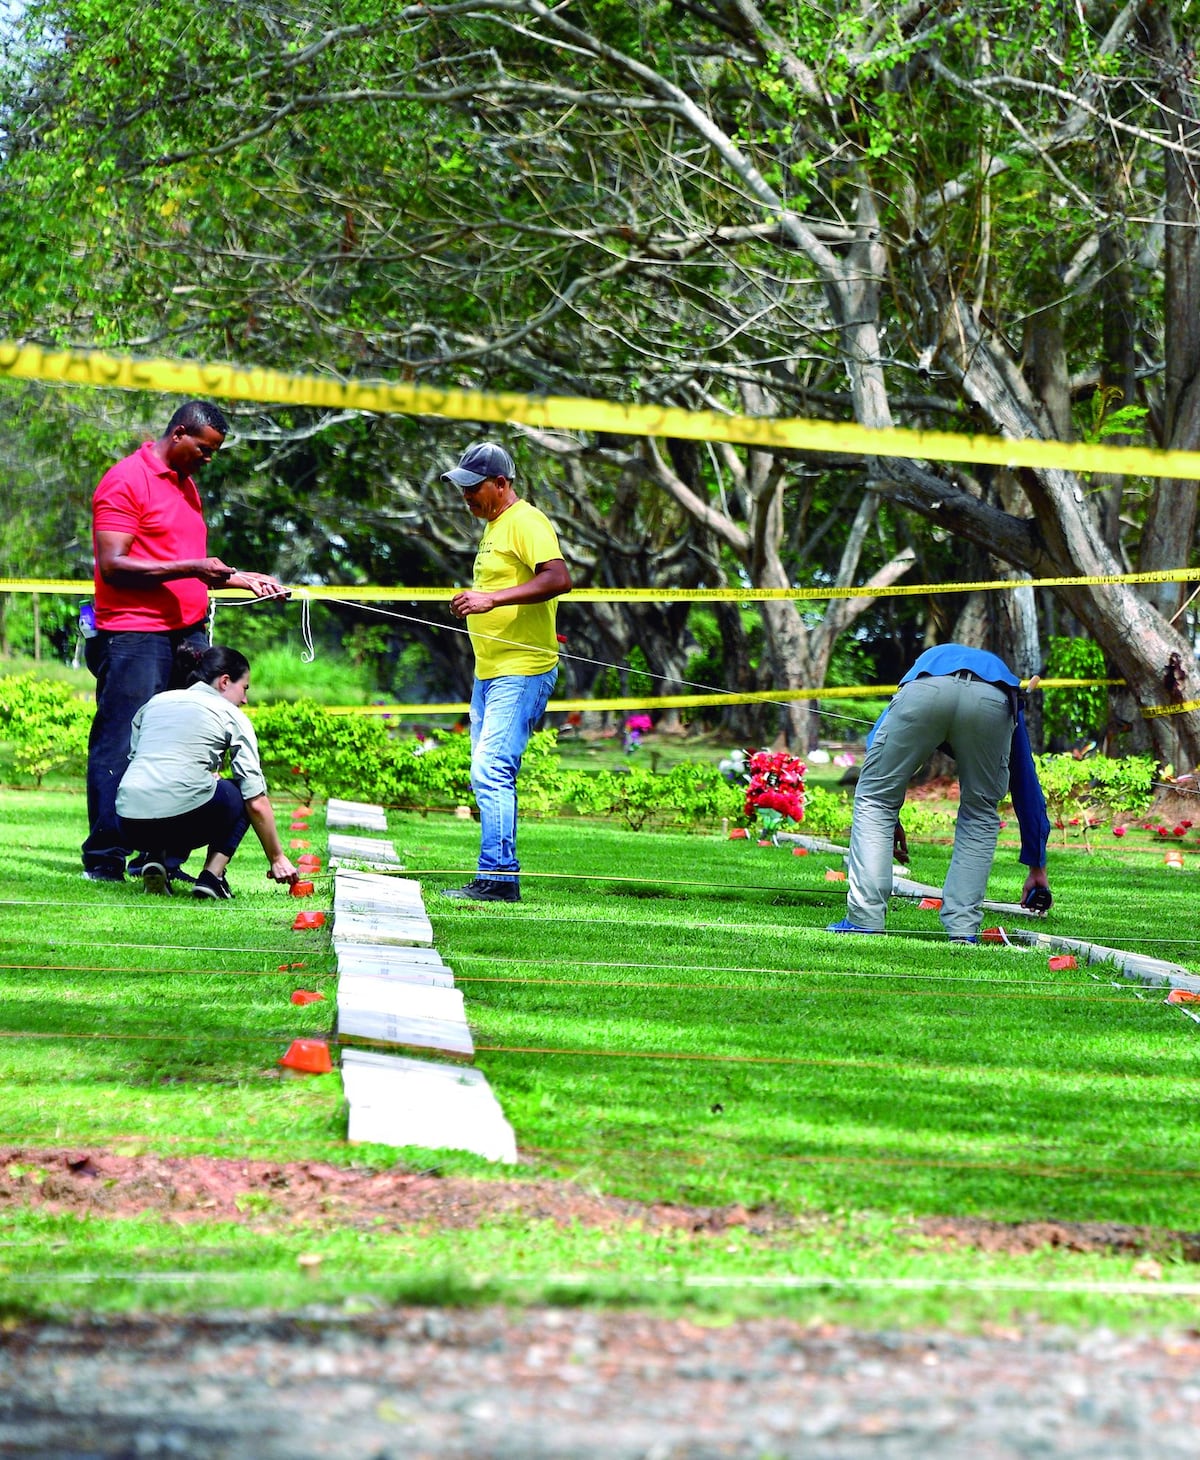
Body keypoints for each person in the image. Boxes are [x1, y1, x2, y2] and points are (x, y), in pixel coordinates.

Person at [82, 401, 285, 883]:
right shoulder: (126, 480)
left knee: (182, 742)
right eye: (204, 448)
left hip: (185, 634)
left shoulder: (186, 486)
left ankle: (160, 858)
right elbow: (114, 564)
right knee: (120, 741)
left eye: (214, 451)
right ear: (178, 434)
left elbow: (183, 562)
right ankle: (106, 858)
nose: (208, 459)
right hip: (135, 632)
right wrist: (195, 567)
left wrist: (242, 579)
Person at [827, 643, 1052, 942]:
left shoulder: (927, 665)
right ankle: (963, 930)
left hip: (926, 687)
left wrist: (888, 817)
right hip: (992, 698)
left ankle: (864, 920)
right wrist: (1037, 866)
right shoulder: (1003, 684)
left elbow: (876, 756)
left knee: (875, 799)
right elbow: (1025, 783)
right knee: (980, 812)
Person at [439, 441, 572, 903]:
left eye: (474, 488)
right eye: (463, 488)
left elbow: (558, 578)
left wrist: (490, 599)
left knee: (491, 769)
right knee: (486, 771)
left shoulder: (526, 521)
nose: (466, 496)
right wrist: (474, 600)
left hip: (521, 670)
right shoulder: (495, 527)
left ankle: (498, 879)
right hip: (490, 671)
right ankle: (495, 874)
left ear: (501, 483)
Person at [115, 645, 298, 899]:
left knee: (171, 789)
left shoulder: (154, 703)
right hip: (182, 817)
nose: (245, 699)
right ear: (225, 681)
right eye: (245, 688)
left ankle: (156, 859)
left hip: (128, 821)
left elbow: (142, 763)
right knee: (239, 792)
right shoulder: (231, 713)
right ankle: (212, 877)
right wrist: (277, 857)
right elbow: (256, 801)